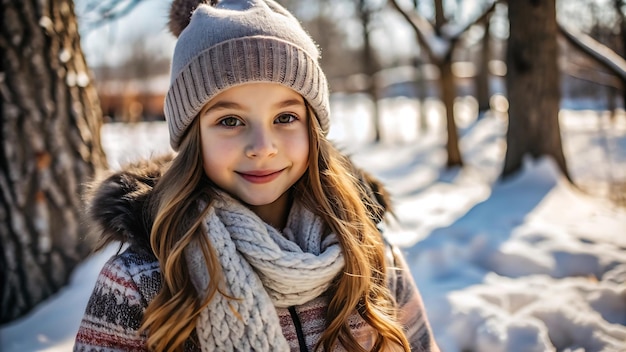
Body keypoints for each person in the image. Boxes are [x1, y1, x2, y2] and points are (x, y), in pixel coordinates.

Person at [73, 0, 439, 351]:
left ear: (313, 129)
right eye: (229, 121)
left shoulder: (370, 256)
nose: (262, 147)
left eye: (285, 118)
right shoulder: (141, 282)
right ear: (192, 139)